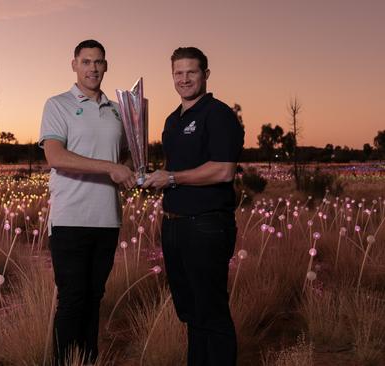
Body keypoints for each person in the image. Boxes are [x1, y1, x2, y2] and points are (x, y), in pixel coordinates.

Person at [142, 46, 244, 366]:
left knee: (211, 311)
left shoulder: (218, 114)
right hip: (174, 224)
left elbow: (223, 169)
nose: (184, 79)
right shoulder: (173, 120)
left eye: (191, 72)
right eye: (178, 73)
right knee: (190, 311)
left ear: (205, 75)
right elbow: (179, 170)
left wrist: (171, 178)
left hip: (206, 225)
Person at [39, 39, 136, 364]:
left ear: (106, 66)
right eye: (86, 62)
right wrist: (110, 168)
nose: (92, 68)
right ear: (74, 65)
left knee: (94, 298)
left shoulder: (118, 110)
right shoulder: (58, 104)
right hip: (70, 219)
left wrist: (132, 169)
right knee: (72, 299)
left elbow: (124, 155)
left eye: (98, 62)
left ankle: (87, 361)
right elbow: (55, 156)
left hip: (107, 219)